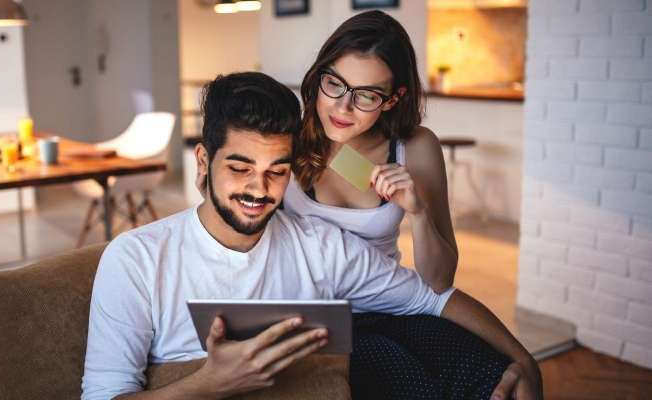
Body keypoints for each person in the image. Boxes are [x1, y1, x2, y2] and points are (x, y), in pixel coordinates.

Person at [81, 72, 541, 400]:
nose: (259, 190)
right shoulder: (136, 260)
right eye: (239, 168)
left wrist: (525, 360)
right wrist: (208, 384)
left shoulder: (319, 246)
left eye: (276, 171)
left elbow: (434, 299)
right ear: (203, 163)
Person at [283, 11, 484, 399]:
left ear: (393, 99)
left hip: (392, 304)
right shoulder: (288, 137)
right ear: (318, 76)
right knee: (415, 387)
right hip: (315, 319)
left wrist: (419, 213)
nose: (343, 108)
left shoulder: (416, 147)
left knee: (485, 371)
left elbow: (439, 282)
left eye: (367, 95)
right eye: (335, 84)